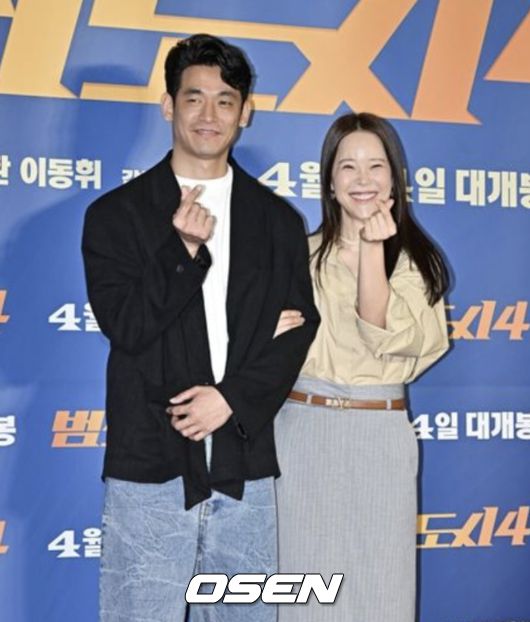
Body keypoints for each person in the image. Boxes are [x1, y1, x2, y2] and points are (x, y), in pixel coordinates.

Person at [82, 33, 319, 622]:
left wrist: (230, 399)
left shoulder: (277, 221)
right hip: (151, 466)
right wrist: (183, 251)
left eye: (224, 100)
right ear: (169, 105)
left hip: (245, 468)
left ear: (245, 113)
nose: (209, 114)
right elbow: (128, 327)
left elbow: (298, 329)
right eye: (194, 98)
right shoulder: (116, 215)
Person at [274, 112, 449, 621]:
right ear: (330, 182)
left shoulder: (416, 262)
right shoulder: (296, 256)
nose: (363, 179)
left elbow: (383, 331)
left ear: (394, 178)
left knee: (380, 590)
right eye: (348, 166)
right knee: (304, 590)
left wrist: (373, 251)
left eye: (376, 165)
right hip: (303, 431)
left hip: (379, 434)